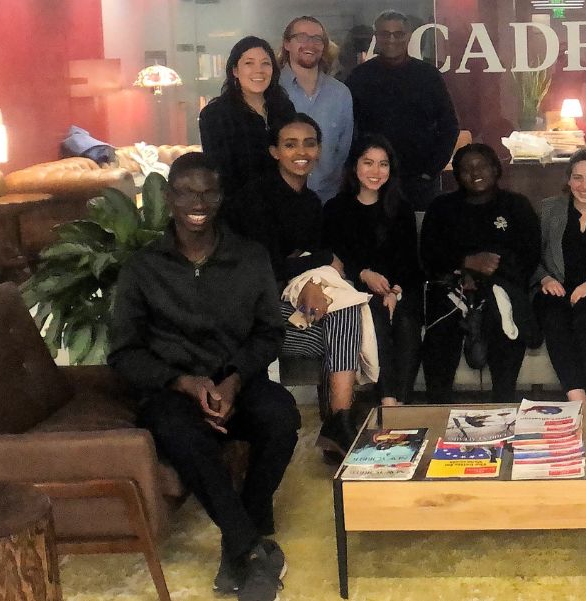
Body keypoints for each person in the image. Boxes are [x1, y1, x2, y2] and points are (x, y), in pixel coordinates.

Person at [108, 152, 296, 601]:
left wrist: (231, 380)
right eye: (187, 191)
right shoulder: (143, 268)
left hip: (237, 382)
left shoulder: (250, 258)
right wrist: (185, 383)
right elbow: (124, 352)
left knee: (282, 415)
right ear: (169, 197)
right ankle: (250, 547)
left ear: (221, 196)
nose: (199, 201)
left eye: (208, 191)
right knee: (178, 428)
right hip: (172, 390)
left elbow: (270, 332)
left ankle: (239, 535)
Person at [223, 113, 362, 455]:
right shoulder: (256, 197)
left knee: (343, 313)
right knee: (347, 316)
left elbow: (294, 262)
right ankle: (339, 422)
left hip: (290, 301)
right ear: (274, 152)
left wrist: (305, 267)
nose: (302, 151)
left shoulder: (311, 202)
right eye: (290, 144)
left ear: (318, 150)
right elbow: (267, 266)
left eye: (309, 143)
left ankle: (338, 423)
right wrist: (320, 260)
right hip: (254, 315)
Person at [420, 143, 540, 404]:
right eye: (466, 169)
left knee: (501, 315)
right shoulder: (441, 208)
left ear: (496, 169)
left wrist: (492, 273)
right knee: (442, 325)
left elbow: (530, 255)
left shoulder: (516, 206)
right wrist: (465, 263)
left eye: (481, 165)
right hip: (452, 287)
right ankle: (438, 406)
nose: (475, 172)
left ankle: (503, 403)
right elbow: (428, 256)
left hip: (502, 286)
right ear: (457, 176)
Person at [322, 135, 422, 407]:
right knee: (375, 315)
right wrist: (364, 274)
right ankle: (388, 401)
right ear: (355, 166)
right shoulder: (336, 208)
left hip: (398, 288)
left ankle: (400, 402)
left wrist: (395, 291)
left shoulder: (400, 208)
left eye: (383, 164)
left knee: (406, 321)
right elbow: (333, 259)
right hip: (353, 290)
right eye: (368, 163)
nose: (376, 172)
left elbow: (410, 261)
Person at [346, 10, 459, 210]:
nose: (392, 39)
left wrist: (430, 171)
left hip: (419, 182)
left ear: (408, 36)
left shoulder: (428, 76)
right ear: (376, 37)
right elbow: (348, 129)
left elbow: (449, 126)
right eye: (385, 33)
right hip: (373, 179)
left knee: (417, 237)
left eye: (398, 34)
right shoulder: (359, 77)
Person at [532, 149, 586, 403]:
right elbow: (530, 255)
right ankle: (575, 396)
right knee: (554, 317)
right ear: (568, 179)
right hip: (554, 287)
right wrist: (545, 279)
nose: (584, 185)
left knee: (585, 318)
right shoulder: (549, 210)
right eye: (578, 177)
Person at [200, 36, 297, 197]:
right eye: (249, 63)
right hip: (239, 209)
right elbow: (219, 174)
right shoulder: (215, 114)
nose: (258, 70)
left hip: (286, 203)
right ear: (235, 71)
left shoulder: (284, 107)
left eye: (265, 63)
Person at [278, 16, 354, 203]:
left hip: (329, 201)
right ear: (287, 43)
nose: (310, 44)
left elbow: (343, 152)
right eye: (302, 37)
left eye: (317, 39)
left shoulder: (340, 93)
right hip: (280, 202)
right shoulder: (272, 90)